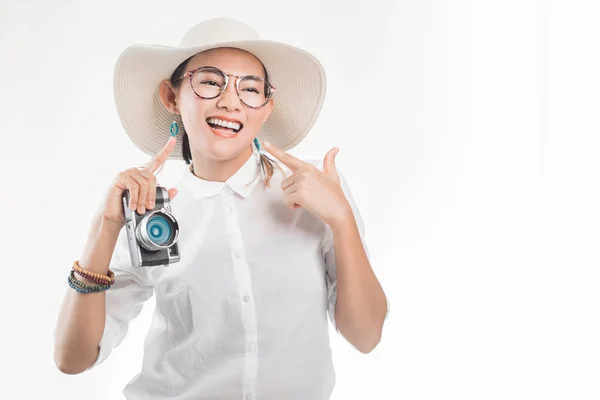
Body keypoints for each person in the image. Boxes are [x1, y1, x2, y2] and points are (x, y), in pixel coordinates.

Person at [53, 18, 389, 400]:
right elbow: (73, 359)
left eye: (250, 89)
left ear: (266, 108)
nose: (230, 101)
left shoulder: (318, 195)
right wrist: (105, 225)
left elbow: (366, 337)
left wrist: (342, 221)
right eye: (210, 81)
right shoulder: (150, 213)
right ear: (171, 97)